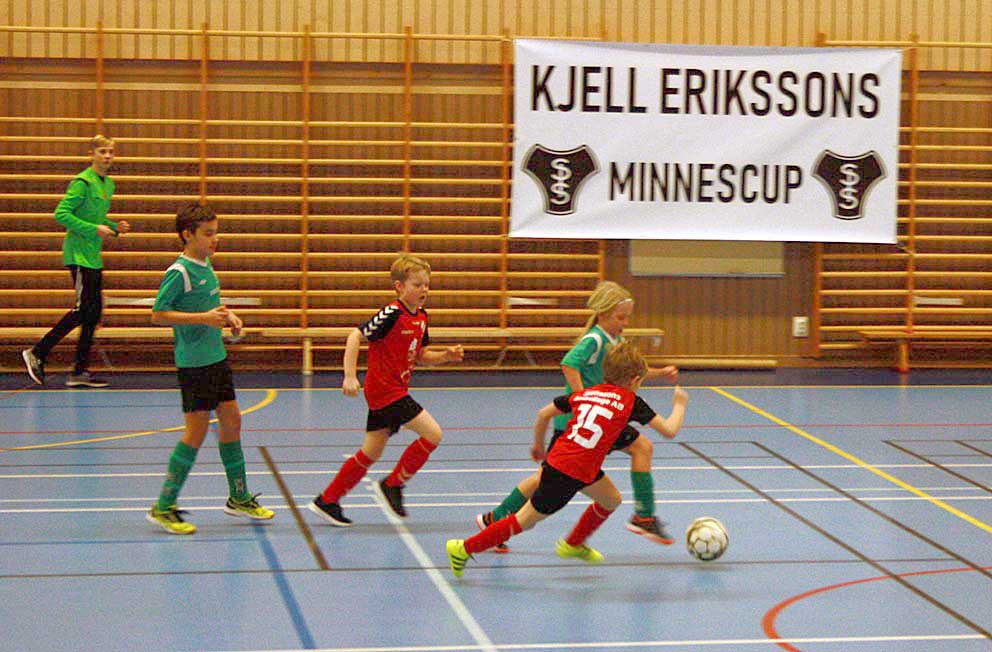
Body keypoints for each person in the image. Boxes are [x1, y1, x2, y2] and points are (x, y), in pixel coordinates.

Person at [446, 342, 688, 577]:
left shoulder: (586, 393)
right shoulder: (631, 401)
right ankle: (463, 548)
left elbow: (544, 414)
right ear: (635, 381)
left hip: (573, 463)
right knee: (524, 521)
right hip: (568, 473)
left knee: (611, 499)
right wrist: (679, 404)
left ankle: (573, 544)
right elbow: (669, 430)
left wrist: (539, 445)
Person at [476, 281, 679, 552]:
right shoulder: (594, 340)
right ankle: (497, 519)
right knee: (543, 479)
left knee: (641, 447)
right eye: (621, 317)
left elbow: (633, 371)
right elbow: (569, 363)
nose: (625, 323)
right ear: (603, 315)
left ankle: (644, 515)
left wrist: (659, 373)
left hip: (601, 420)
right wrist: (584, 398)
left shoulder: (615, 341)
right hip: (581, 422)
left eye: (627, 317)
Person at [145, 203, 274, 534]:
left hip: (216, 358)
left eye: (216, 233)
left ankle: (239, 497)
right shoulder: (179, 272)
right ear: (187, 235)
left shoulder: (206, 264)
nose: (215, 239)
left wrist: (227, 316)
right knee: (196, 432)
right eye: (208, 234)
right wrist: (203, 318)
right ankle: (163, 506)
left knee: (232, 420)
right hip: (194, 364)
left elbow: (209, 304)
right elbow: (158, 314)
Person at [308, 253, 464, 525]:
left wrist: (445, 356)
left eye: (427, 285)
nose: (424, 290)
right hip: (385, 391)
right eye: (417, 284)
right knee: (433, 434)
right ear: (399, 287)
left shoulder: (422, 317)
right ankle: (393, 485)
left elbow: (421, 355)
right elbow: (355, 336)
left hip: (393, 390)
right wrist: (349, 376)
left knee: (371, 451)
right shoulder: (392, 313)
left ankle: (328, 500)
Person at [22, 135, 131, 388]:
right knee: (83, 310)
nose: (107, 156)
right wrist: (95, 229)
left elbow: (97, 219)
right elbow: (61, 214)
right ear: (92, 154)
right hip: (78, 255)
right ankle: (37, 352)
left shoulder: (108, 184)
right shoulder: (82, 182)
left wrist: (115, 227)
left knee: (93, 313)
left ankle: (79, 371)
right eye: (102, 151)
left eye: (111, 152)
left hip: (93, 256)